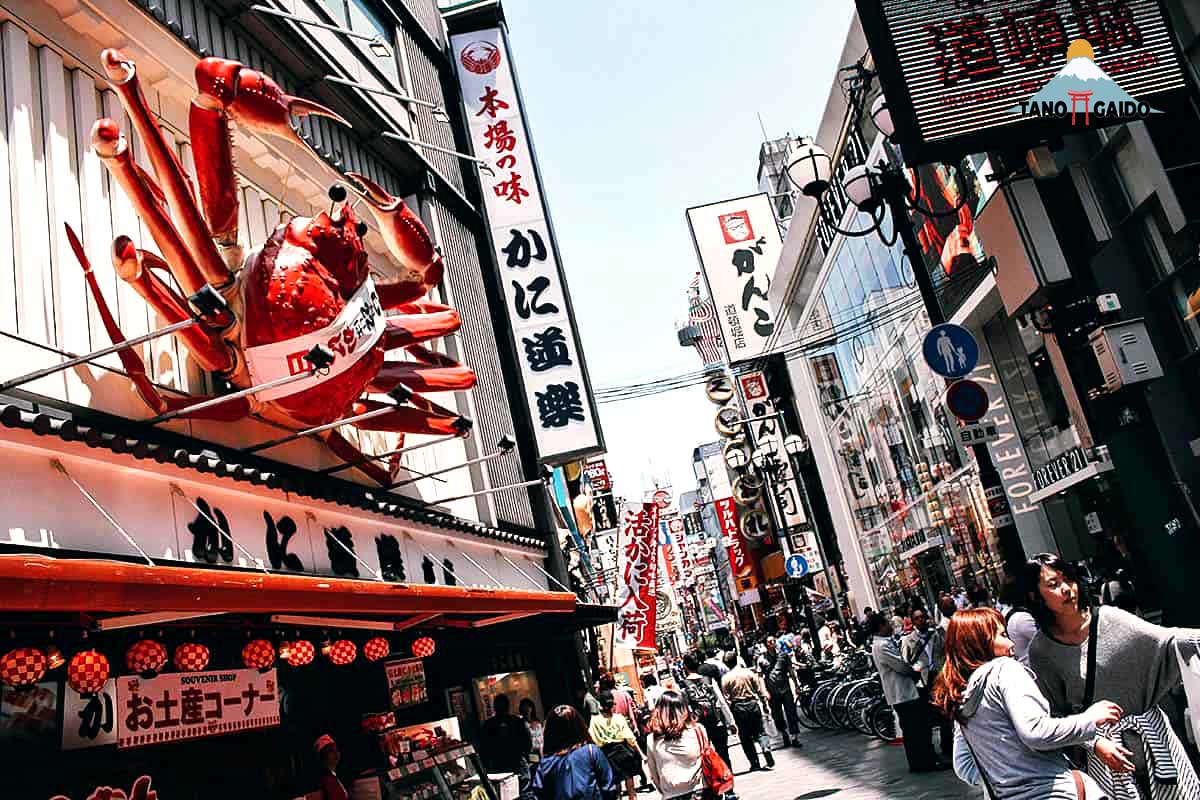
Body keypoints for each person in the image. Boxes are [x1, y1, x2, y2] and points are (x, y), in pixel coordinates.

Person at [1025, 553, 1200, 799]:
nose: (1066, 589)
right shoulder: (1042, 651)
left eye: (1069, 580)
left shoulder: (1109, 618)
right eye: (1053, 585)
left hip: (1157, 747)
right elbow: (1055, 715)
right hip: (1104, 761)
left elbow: (1168, 641)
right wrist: (1094, 744)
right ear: (1035, 596)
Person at [931, 607, 1117, 799]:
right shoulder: (1005, 670)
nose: (1011, 643)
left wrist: (1009, 777)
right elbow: (1035, 731)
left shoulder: (963, 695)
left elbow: (964, 765)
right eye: (1002, 635)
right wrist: (1090, 719)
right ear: (980, 642)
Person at [868, 612, 947, 773]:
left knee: (912, 730)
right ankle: (925, 761)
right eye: (888, 623)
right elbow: (901, 666)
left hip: (902, 693)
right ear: (881, 627)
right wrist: (915, 670)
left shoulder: (882, 644)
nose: (891, 626)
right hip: (903, 693)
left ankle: (919, 762)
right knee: (917, 729)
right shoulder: (882, 646)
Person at [532, 705, 615, 800]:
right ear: (579, 726)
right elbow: (608, 787)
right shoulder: (591, 751)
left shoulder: (545, 764)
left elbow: (539, 794)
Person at [904, 607, 952, 759]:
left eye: (923, 617)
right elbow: (906, 662)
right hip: (922, 681)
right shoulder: (909, 640)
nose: (921, 621)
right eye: (917, 618)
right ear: (913, 622)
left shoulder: (938, 634)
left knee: (945, 714)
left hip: (939, 677)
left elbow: (947, 652)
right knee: (927, 717)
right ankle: (931, 751)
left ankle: (948, 747)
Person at [644, 691, 706, 800]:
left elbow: (654, 773)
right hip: (700, 790)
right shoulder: (698, 730)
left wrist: (666, 791)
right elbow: (708, 758)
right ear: (684, 709)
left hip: (672, 794)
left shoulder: (652, 739)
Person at [680, 652, 736, 769]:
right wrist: (731, 722)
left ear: (685, 666)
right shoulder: (708, 680)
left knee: (704, 754)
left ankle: (713, 779)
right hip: (717, 721)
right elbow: (721, 701)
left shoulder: (683, 685)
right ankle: (727, 775)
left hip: (699, 726)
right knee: (723, 751)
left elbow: (685, 709)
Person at [721, 652, 775, 771]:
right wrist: (765, 705)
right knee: (760, 732)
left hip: (738, 707)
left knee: (745, 737)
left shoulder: (726, 678)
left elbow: (726, 699)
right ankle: (765, 748)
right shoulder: (749, 673)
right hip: (753, 704)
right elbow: (759, 690)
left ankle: (754, 763)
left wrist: (729, 718)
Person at [588, 690, 643, 800]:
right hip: (623, 752)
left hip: (607, 755)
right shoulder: (619, 718)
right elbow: (630, 737)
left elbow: (592, 739)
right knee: (630, 787)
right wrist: (640, 752)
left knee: (616, 788)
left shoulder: (594, 721)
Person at [481, 694, 535, 799]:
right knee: (523, 795)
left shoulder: (488, 725)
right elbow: (528, 744)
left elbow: (484, 751)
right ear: (508, 706)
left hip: (498, 769)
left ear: (494, 707)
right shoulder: (517, 722)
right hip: (518, 765)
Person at [760, 636, 802, 748]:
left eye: (774, 641)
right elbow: (760, 677)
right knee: (777, 715)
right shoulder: (761, 659)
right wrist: (764, 692)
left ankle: (794, 737)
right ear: (766, 644)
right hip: (772, 692)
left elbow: (790, 670)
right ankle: (784, 733)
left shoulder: (783, 655)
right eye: (769, 642)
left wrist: (796, 685)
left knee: (791, 712)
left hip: (785, 689)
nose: (772, 643)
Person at [314, 734, 349, 800]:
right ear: (323, 755)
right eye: (331, 751)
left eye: (337, 750)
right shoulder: (323, 779)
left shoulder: (334, 776)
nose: (336, 753)